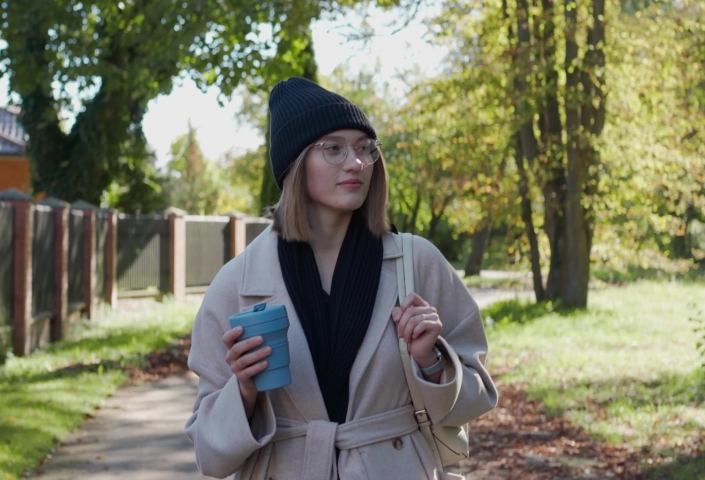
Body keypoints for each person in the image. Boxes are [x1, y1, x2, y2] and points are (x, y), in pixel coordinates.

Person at [185, 77, 497, 480]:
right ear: (295, 165)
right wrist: (243, 392)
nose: (357, 162)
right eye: (333, 148)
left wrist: (432, 362)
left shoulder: (417, 263)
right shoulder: (237, 283)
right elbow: (209, 457)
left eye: (365, 148)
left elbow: (476, 400)